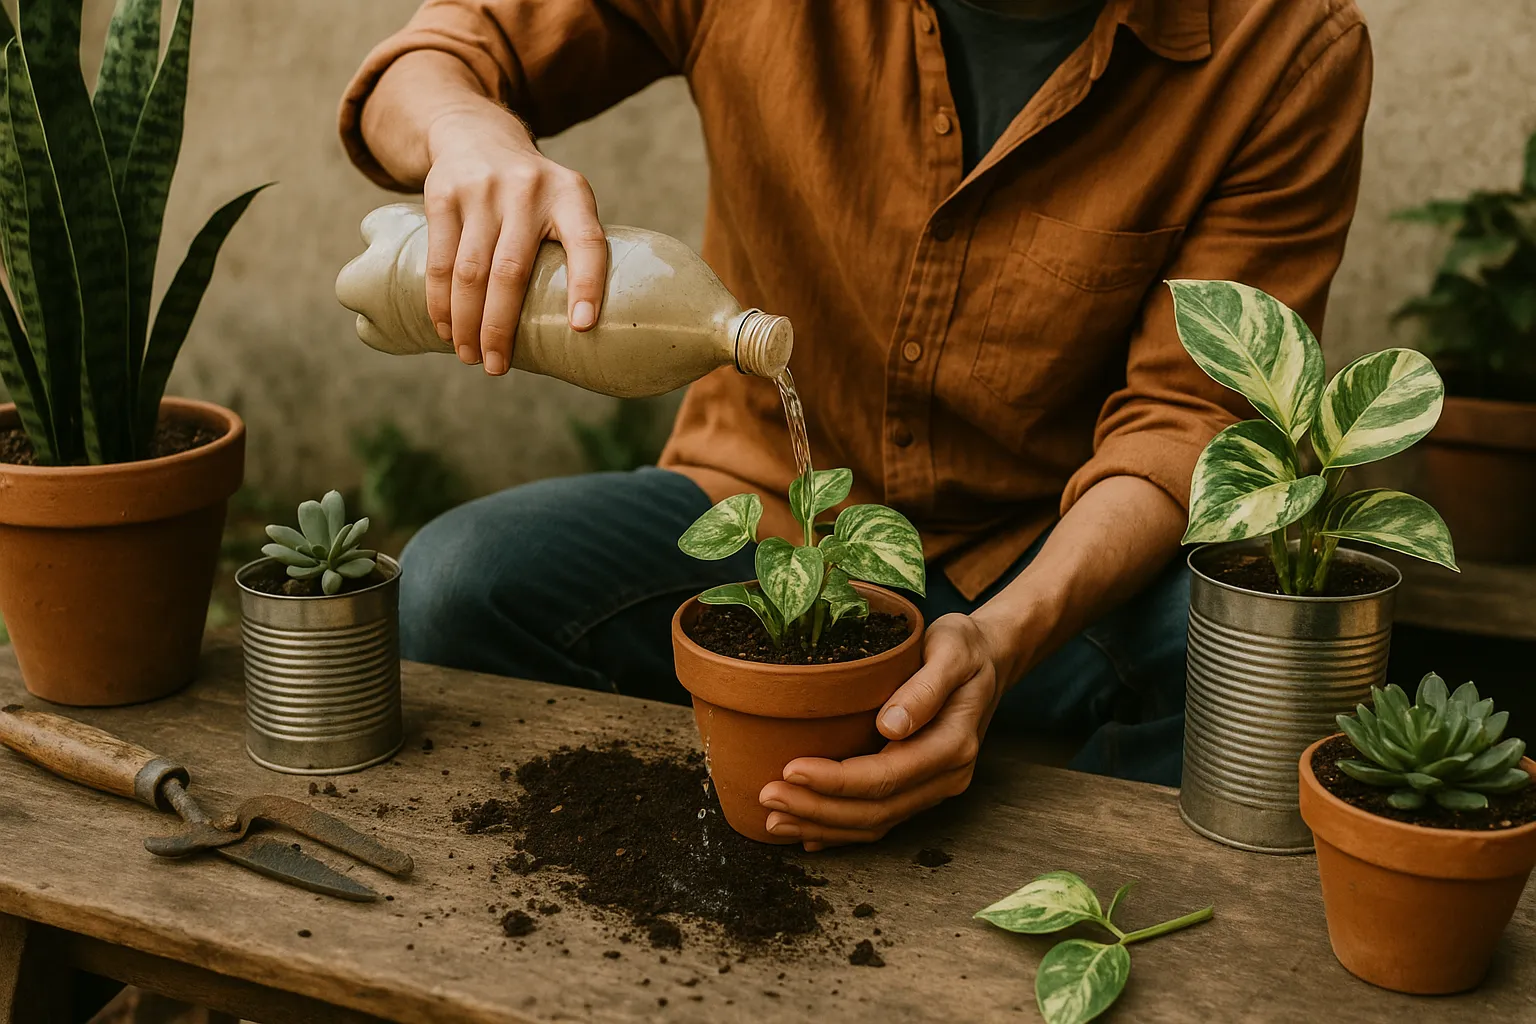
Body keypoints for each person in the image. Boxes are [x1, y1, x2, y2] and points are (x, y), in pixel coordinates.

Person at [340, 0, 1371, 849]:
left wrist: (1003, 642)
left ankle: (1038, 917)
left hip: (1054, 563)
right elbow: (436, 58)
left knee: (1241, 661)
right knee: (460, 584)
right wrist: (466, 130)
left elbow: (1187, 422)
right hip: (764, 505)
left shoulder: (1280, 47)